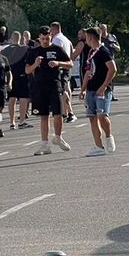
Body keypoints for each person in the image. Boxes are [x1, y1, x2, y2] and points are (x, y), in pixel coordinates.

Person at [25, 27, 72, 155]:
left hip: (54, 85)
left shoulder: (57, 49)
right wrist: (35, 64)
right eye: (43, 39)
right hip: (39, 87)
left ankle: (58, 137)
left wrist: (58, 63)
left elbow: (70, 63)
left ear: (51, 36)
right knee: (44, 115)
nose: (45, 41)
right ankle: (45, 144)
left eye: (47, 38)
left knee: (58, 113)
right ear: (39, 38)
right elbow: (27, 70)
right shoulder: (34, 52)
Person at [83, 28, 117, 156]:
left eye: (87, 37)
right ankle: (98, 146)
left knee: (102, 115)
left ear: (91, 38)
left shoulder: (103, 51)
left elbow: (113, 69)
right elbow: (88, 71)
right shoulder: (91, 52)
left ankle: (108, 137)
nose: (86, 40)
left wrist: (104, 86)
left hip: (102, 89)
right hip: (91, 88)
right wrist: (83, 88)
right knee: (92, 117)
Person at [50, 22, 76, 124]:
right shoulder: (66, 39)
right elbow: (72, 52)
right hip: (67, 67)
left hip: (60, 67)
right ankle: (65, 112)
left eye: (51, 31)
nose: (50, 33)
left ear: (54, 29)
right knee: (67, 89)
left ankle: (70, 112)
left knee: (62, 91)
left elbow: (54, 54)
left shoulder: (56, 40)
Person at [7, 31, 31, 129]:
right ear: (20, 38)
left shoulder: (6, 50)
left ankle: (12, 122)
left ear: (11, 39)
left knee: (12, 99)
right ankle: (21, 121)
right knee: (23, 99)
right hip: (22, 76)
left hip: (10, 77)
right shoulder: (24, 49)